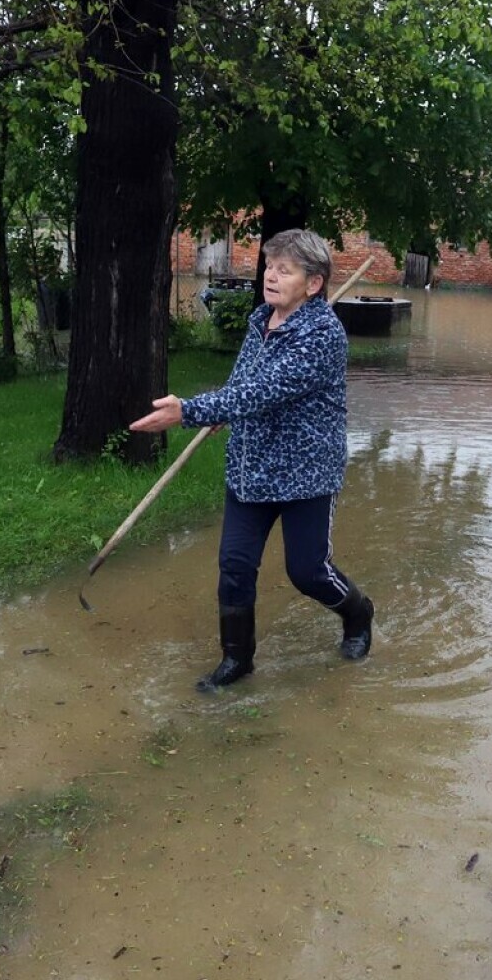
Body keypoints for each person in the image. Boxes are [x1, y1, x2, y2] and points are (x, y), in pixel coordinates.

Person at [130, 228, 373, 692]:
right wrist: (223, 406)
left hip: (306, 473)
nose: (271, 275)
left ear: (314, 283)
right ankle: (237, 659)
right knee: (235, 566)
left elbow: (265, 391)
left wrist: (192, 410)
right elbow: (244, 383)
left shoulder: (322, 335)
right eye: (270, 265)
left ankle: (359, 613)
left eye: (286, 269)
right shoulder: (261, 319)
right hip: (250, 468)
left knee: (308, 572)